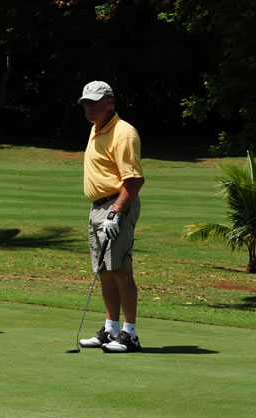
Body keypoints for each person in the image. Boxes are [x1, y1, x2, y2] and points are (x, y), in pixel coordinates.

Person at [76, 81, 144, 353]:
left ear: (110, 103)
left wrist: (116, 211)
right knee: (104, 271)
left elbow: (134, 181)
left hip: (116, 206)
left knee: (120, 269)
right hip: (98, 207)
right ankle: (111, 329)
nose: (89, 108)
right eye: (85, 103)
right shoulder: (97, 129)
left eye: (94, 102)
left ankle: (130, 335)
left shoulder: (123, 133)